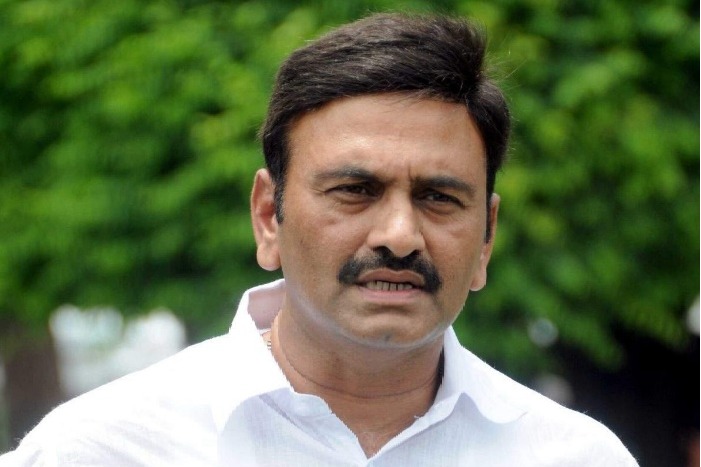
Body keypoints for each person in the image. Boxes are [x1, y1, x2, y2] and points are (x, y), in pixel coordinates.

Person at [1, 13, 638, 466]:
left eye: (439, 198)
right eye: (355, 190)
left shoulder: (574, 456)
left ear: (487, 238)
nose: (399, 237)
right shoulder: (100, 450)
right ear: (268, 217)